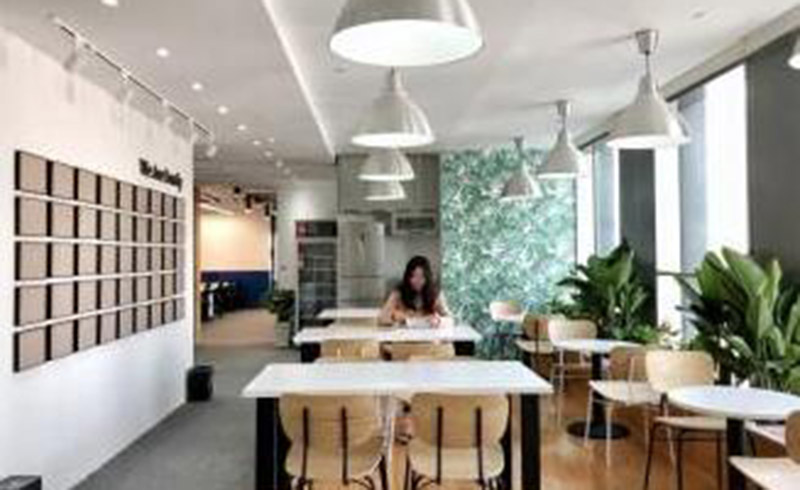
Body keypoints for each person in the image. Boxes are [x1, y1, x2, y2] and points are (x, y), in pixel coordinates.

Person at [379, 256, 451, 326]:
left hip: (428, 333)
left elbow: (449, 319)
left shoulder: (435, 294)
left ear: (427, 278)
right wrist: (395, 317)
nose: (417, 281)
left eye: (421, 277)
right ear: (408, 277)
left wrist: (439, 320)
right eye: (414, 276)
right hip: (404, 333)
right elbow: (382, 318)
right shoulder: (398, 293)